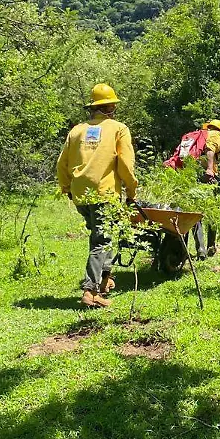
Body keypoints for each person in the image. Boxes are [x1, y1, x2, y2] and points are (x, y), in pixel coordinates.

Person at [56, 83, 138, 308]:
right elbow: (125, 164)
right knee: (102, 240)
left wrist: (67, 188)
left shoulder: (77, 131)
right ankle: (90, 291)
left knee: (103, 234)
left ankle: (105, 280)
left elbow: (62, 164)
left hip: (81, 194)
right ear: (111, 106)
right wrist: (131, 190)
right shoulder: (119, 128)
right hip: (105, 193)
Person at [164, 119, 220, 260]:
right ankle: (209, 247)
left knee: (192, 212)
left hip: (187, 176)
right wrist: (210, 169)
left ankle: (198, 249)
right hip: (204, 177)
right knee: (212, 211)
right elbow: (210, 149)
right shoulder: (216, 135)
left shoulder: (195, 136)